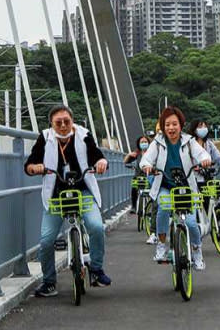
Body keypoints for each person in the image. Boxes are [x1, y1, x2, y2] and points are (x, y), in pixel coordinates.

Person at [25, 104, 111, 297]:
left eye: (67, 121)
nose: (63, 125)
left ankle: (96, 269)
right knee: (47, 241)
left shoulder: (83, 135)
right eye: (58, 122)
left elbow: (96, 155)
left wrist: (100, 162)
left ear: (72, 122)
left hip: (83, 191)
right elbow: (30, 163)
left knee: (96, 227)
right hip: (56, 195)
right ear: (51, 124)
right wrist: (35, 168)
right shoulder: (45, 138)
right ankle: (49, 282)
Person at [140, 106, 213, 270]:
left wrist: (205, 159)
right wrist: (147, 166)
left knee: (192, 223)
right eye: (167, 125)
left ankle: (197, 252)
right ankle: (161, 245)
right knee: (164, 208)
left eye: (174, 124)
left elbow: (202, 154)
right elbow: (146, 160)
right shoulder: (157, 143)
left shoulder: (189, 142)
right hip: (165, 185)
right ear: (163, 126)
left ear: (181, 125)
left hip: (186, 187)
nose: (171, 128)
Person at [124, 133, 151, 211]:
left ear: (149, 143)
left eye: (145, 142)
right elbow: (125, 161)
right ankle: (134, 206)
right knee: (134, 188)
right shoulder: (137, 154)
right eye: (142, 142)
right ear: (139, 144)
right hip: (139, 177)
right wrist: (129, 155)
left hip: (149, 176)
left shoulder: (152, 153)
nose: (144, 144)